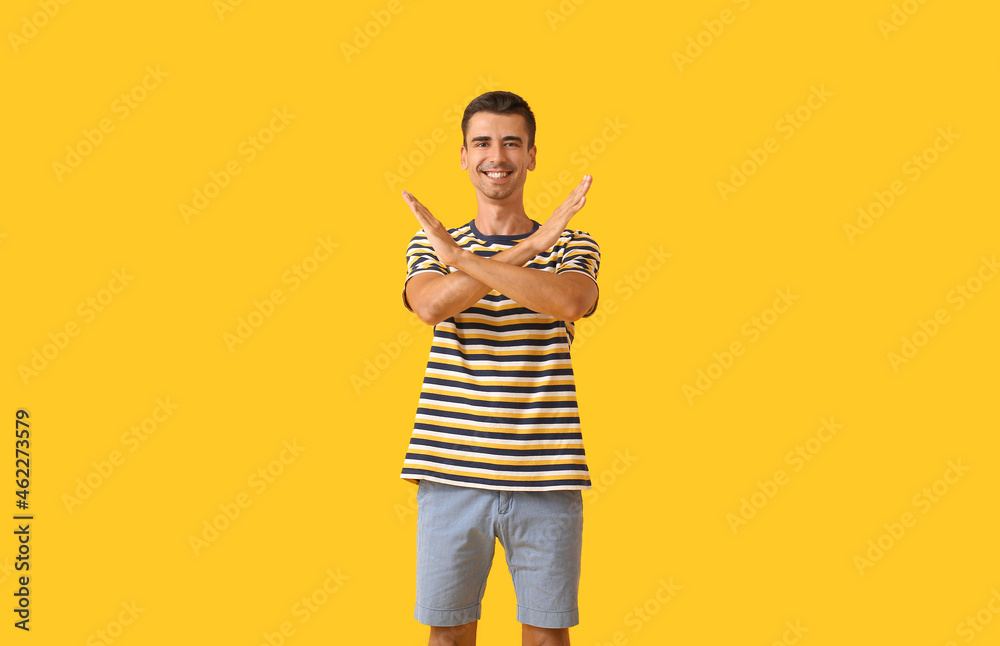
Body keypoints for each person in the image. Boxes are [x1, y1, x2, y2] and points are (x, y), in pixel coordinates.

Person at [400, 90, 600, 646]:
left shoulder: (572, 244)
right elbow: (432, 306)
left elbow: (569, 303)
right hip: (450, 474)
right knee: (449, 636)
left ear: (532, 155)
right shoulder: (431, 242)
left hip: (547, 473)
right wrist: (528, 245)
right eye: (483, 142)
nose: (498, 155)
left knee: (547, 639)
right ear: (463, 156)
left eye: (512, 142)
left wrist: (462, 260)